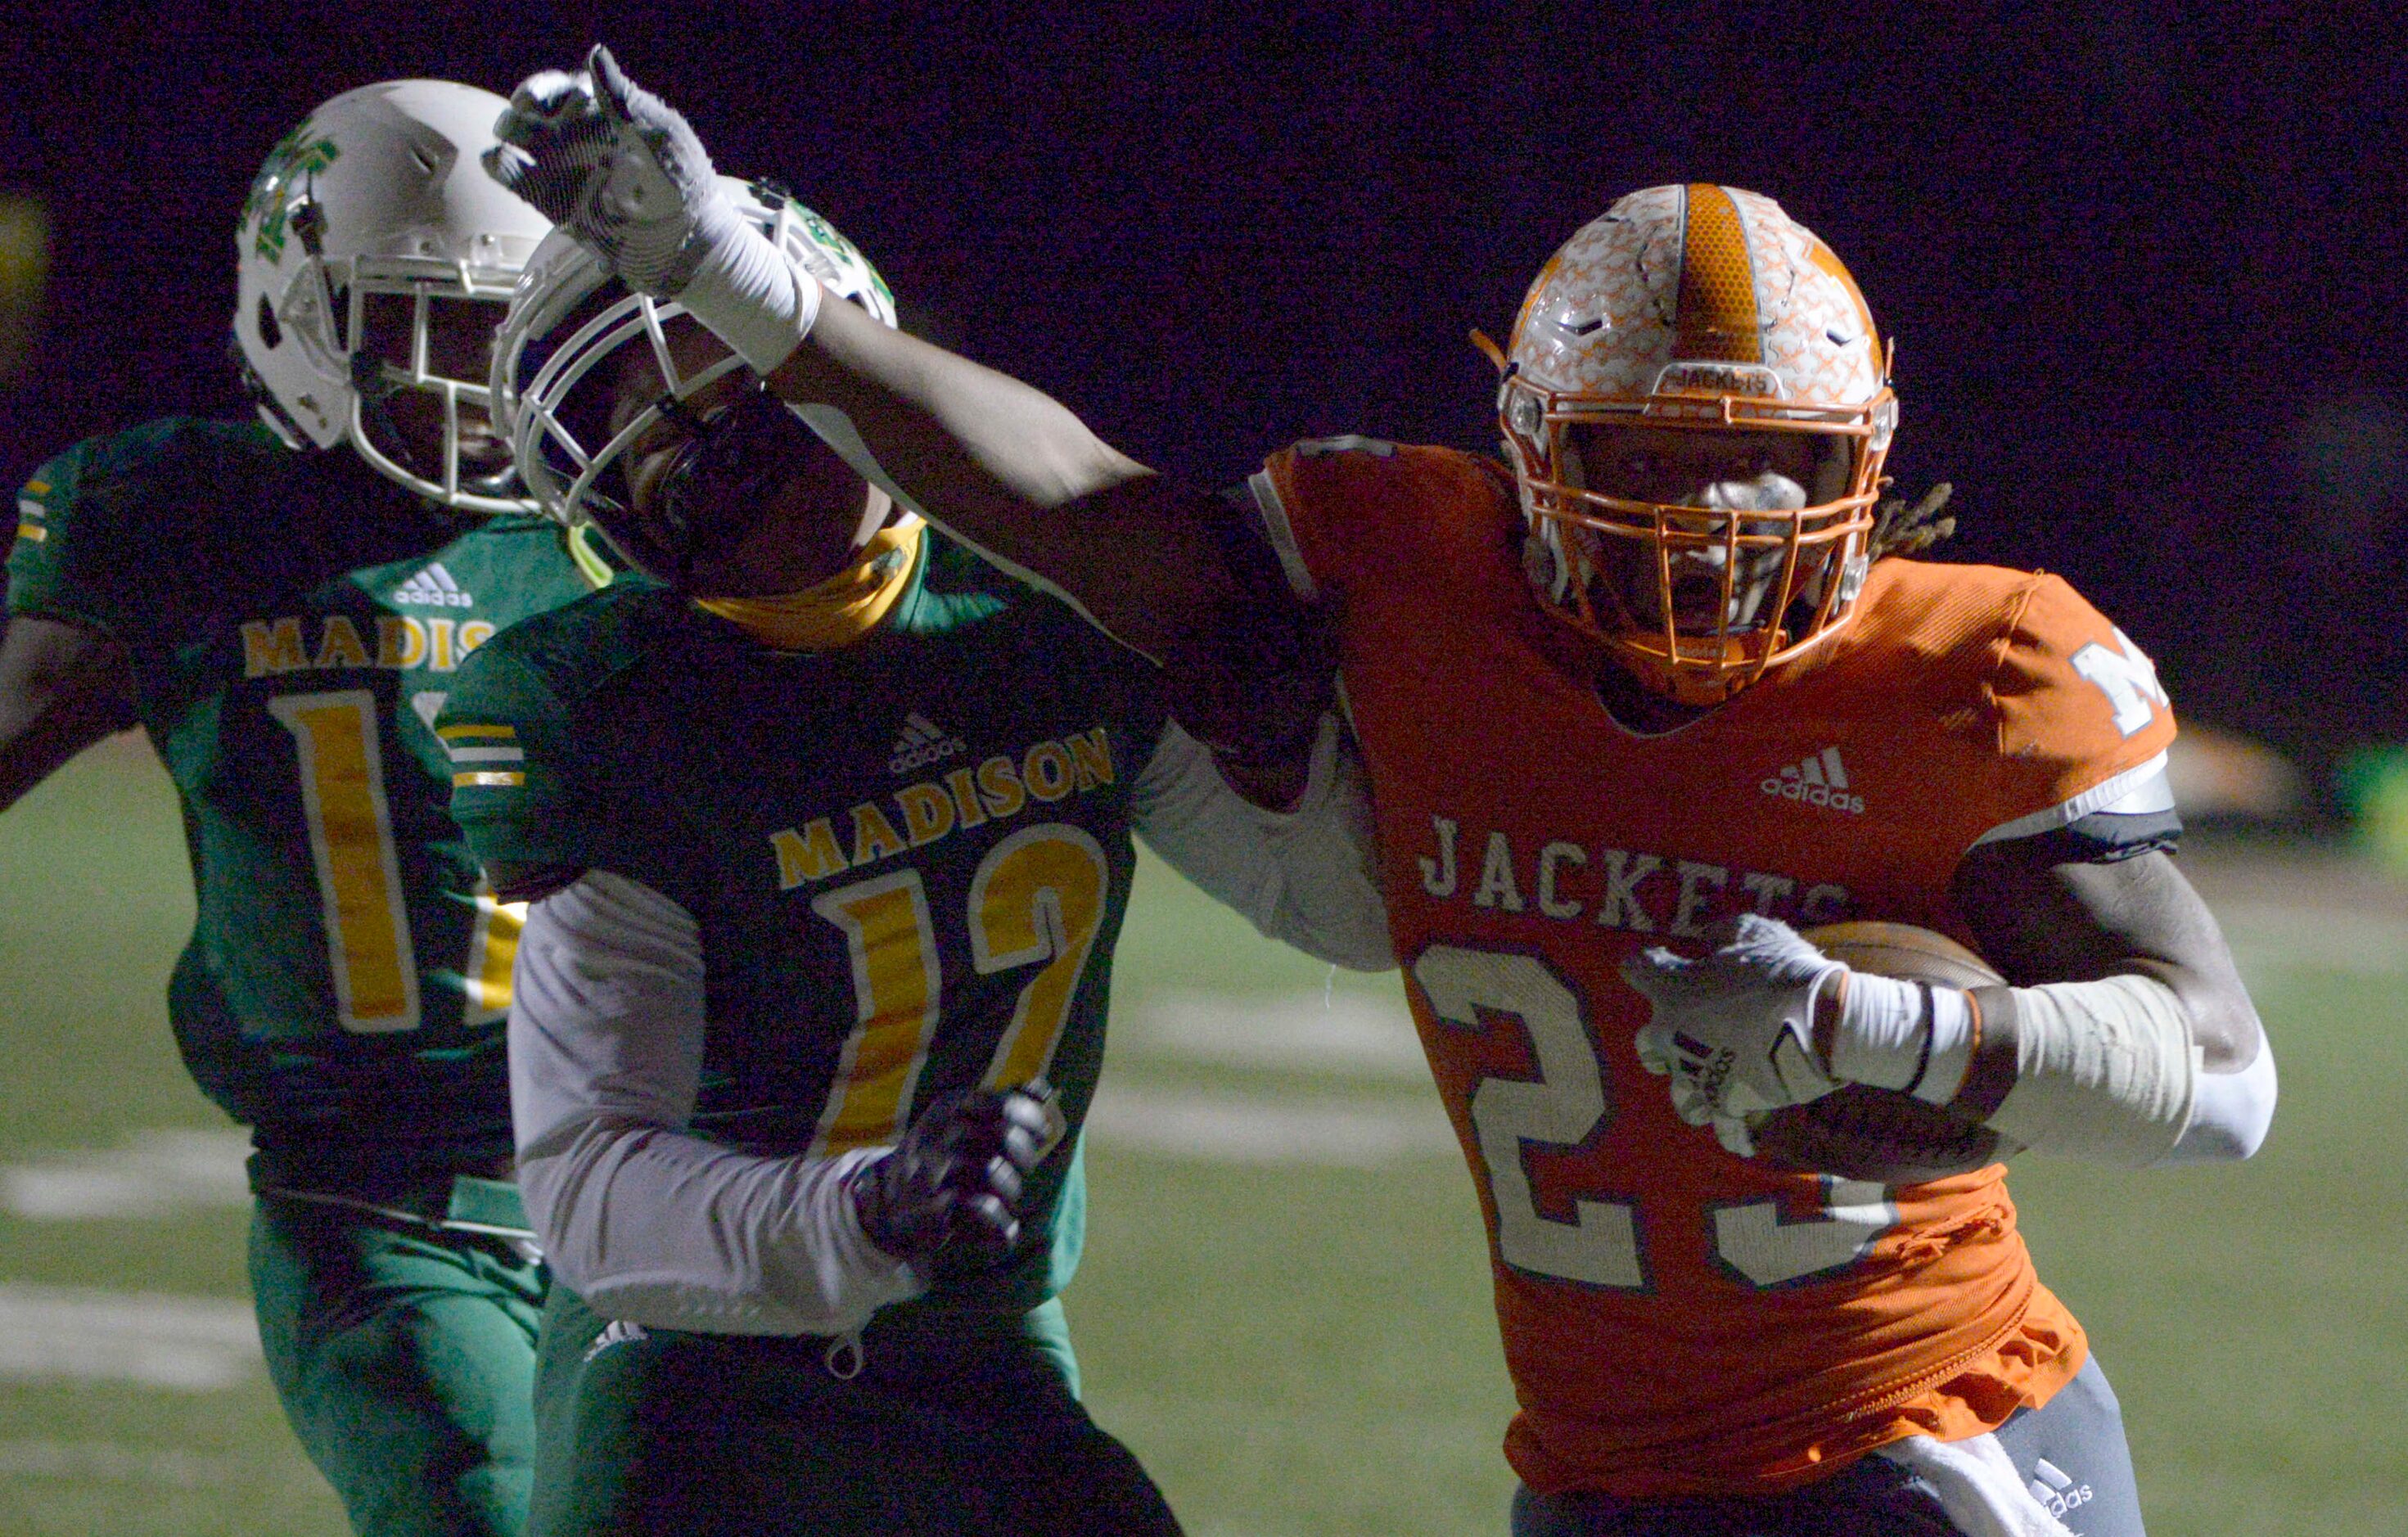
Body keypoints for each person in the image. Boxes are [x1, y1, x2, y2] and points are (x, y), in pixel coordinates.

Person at [484, 52, 2280, 1536]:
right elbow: (1078, 505)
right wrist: (727, 268)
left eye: (1772, 474)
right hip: (1591, 1473)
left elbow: (2217, 1076)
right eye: (1653, 465)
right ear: (1526, 457)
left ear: (1866, 461)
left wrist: (1857, 1019)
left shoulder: (1971, 675)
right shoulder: (1410, 578)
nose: (1718, 532)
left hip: (1925, 1431)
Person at [435, 173, 1387, 1536]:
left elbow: (1345, 919)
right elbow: (591, 1188)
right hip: (695, 1365)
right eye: (639, 417)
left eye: (722, 365)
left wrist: (1285, 767)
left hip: (971, 1347)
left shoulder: (1054, 609)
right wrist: (866, 1207)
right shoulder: (604, 709)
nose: (702, 432)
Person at [0, 81, 597, 1537]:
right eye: (435, 325)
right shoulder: (182, 520)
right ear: (301, 309)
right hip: (384, 1201)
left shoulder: (623, 518)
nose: (484, 381)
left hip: (655, 1190)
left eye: (511, 332)